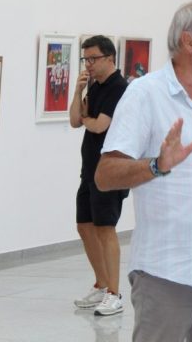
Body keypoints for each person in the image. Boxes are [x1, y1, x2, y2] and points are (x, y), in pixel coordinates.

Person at [95, 1, 192, 342]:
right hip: (167, 274)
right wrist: (157, 165)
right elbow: (104, 175)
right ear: (189, 42)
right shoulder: (145, 94)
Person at [69, 35, 129, 316]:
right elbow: (75, 120)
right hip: (89, 168)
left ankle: (115, 294)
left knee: (106, 228)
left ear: (109, 58)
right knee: (84, 225)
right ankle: (101, 283)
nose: (88, 64)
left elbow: (99, 126)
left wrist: (86, 119)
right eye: (85, 59)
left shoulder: (119, 88)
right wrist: (78, 91)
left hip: (111, 169)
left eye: (93, 58)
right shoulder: (94, 86)